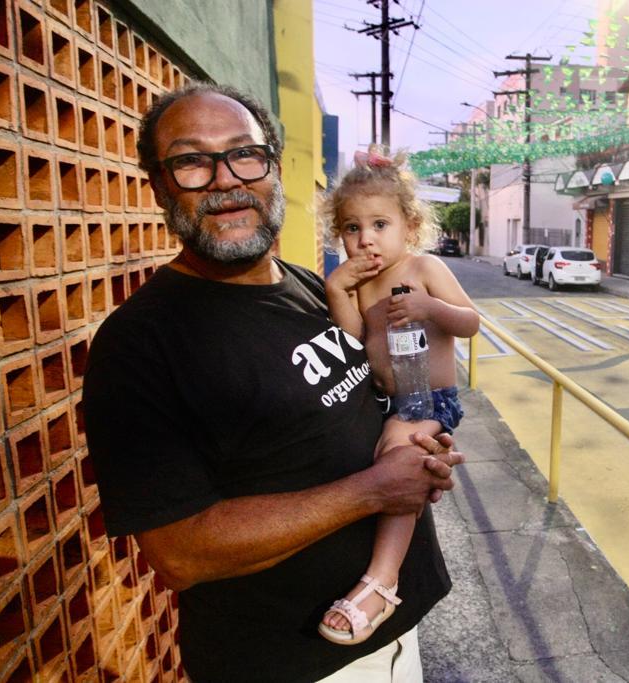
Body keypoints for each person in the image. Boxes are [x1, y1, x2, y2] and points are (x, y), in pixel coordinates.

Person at [82, 82, 462, 683]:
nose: (224, 179)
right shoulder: (141, 344)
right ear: (159, 186)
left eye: (244, 154)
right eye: (190, 161)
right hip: (294, 663)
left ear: (274, 171)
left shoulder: (312, 287)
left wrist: (422, 449)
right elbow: (178, 553)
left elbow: (374, 398)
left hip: (394, 634)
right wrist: (377, 489)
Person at [318, 150, 480, 645]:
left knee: (398, 462)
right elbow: (352, 343)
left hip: (428, 400)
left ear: (409, 227)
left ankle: (382, 581)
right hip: (383, 399)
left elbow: (471, 323)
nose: (365, 238)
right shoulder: (362, 285)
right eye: (351, 227)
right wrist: (339, 293)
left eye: (379, 224)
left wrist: (430, 305)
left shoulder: (423, 266)